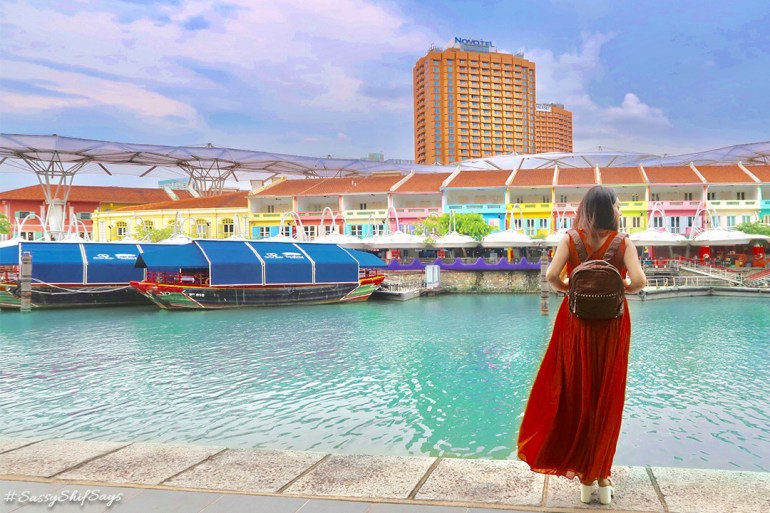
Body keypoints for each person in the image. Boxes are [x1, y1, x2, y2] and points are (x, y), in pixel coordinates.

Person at [517, 186, 647, 506]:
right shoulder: (623, 242)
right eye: (617, 205)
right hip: (613, 323)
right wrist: (620, 287)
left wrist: (571, 289)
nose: (619, 210)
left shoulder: (570, 239)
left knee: (577, 392)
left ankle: (585, 478)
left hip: (575, 322)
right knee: (606, 395)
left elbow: (552, 276)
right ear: (609, 209)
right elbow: (640, 282)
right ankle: (602, 476)